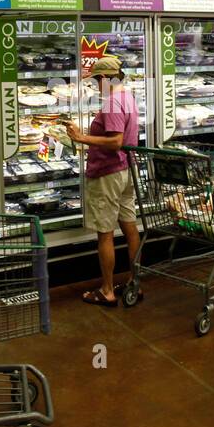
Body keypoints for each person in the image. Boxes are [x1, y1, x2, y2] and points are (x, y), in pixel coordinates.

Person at [65, 55, 141, 307]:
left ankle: (107, 290)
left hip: (108, 173)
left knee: (105, 234)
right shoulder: (128, 97)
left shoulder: (112, 103)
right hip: (126, 170)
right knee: (130, 228)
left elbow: (115, 141)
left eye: (98, 79)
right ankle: (134, 281)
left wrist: (81, 138)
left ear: (107, 78)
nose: (97, 85)